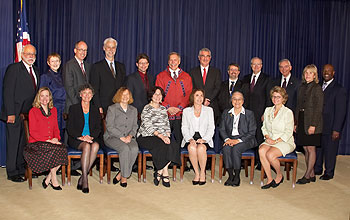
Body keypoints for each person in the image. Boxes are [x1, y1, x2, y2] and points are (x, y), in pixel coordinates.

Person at [1, 44, 40, 182]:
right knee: (13, 143)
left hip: (28, 115)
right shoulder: (14, 69)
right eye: (28, 54)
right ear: (22, 54)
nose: (31, 57)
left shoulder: (36, 70)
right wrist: (10, 113)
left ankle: (21, 168)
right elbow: (8, 92)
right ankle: (12, 172)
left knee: (23, 144)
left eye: (33, 54)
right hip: (15, 113)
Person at [23, 87, 68, 190]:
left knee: (63, 149)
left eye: (46, 96)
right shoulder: (33, 111)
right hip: (36, 143)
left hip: (51, 142)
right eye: (42, 96)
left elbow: (56, 128)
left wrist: (56, 138)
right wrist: (47, 140)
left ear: (50, 98)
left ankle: (48, 178)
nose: (44, 98)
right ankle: (54, 179)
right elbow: (33, 132)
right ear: (38, 98)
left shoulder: (54, 110)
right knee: (54, 150)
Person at [137, 87, 181, 188]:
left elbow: (166, 125)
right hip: (146, 136)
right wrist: (161, 136)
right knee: (162, 145)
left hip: (161, 136)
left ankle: (160, 171)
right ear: (151, 96)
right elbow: (148, 126)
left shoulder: (163, 109)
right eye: (155, 94)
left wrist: (167, 136)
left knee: (173, 145)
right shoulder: (147, 108)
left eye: (160, 94)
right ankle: (165, 173)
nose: (157, 96)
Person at [67, 84, 102, 193]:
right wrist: (81, 137)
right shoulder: (73, 108)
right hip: (77, 138)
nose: (87, 95)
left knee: (95, 145)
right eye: (84, 93)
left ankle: (82, 176)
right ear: (80, 95)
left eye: (89, 93)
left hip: (91, 137)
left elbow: (98, 128)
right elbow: (70, 128)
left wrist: (91, 137)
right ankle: (85, 180)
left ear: (92, 96)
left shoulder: (95, 109)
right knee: (87, 146)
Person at [315, 64, 347, 180]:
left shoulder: (339, 89)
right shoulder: (318, 86)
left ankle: (329, 172)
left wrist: (337, 129)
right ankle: (317, 168)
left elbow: (341, 111)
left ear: (333, 73)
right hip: (319, 126)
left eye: (329, 71)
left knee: (330, 151)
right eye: (324, 71)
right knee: (318, 149)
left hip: (331, 126)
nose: (326, 73)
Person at [259, 86, 296, 189]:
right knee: (262, 150)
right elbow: (264, 127)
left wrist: (275, 141)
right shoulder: (267, 110)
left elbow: (288, 132)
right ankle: (269, 179)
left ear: (283, 98)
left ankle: (279, 175)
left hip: (285, 141)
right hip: (270, 139)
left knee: (270, 154)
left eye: (278, 97)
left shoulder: (288, 112)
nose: (275, 99)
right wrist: (267, 137)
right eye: (274, 97)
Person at [219, 91, 257, 187]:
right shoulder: (226, 113)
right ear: (231, 101)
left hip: (245, 140)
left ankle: (237, 176)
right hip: (230, 139)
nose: (237, 101)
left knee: (236, 149)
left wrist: (237, 141)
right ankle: (230, 175)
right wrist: (227, 139)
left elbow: (252, 132)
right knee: (226, 149)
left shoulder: (249, 114)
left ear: (243, 101)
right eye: (234, 99)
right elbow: (222, 129)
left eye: (239, 99)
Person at [155, 52, 192, 147]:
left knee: (181, 141)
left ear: (179, 61)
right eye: (171, 60)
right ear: (168, 62)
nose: (173, 62)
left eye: (175, 60)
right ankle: (166, 161)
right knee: (164, 141)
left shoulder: (186, 77)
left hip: (181, 114)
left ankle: (179, 161)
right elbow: (158, 95)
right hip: (165, 114)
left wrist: (180, 107)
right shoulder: (161, 76)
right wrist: (168, 107)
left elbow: (189, 94)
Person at [104, 87, 139, 188]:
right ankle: (124, 176)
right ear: (118, 96)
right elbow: (110, 127)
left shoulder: (133, 110)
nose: (125, 97)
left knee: (134, 148)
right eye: (123, 94)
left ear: (130, 97)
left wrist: (130, 136)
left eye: (127, 95)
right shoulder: (112, 108)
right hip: (112, 137)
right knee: (124, 149)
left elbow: (135, 126)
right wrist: (121, 137)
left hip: (129, 137)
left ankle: (121, 173)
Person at [295, 64, 324, 184]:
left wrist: (313, 125)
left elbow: (318, 108)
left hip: (312, 122)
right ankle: (311, 174)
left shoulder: (317, 88)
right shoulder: (301, 87)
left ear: (315, 75)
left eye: (310, 73)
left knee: (311, 148)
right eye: (306, 73)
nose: (308, 75)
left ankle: (307, 175)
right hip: (302, 120)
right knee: (306, 148)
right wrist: (296, 122)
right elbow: (298, 106)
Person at [241, 57, 271, 169]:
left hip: (260, 113)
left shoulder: (267, 79)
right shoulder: (246, 78)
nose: (256, 66)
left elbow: (269, 98)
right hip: (247, 113)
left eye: (258, 64)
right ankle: (248, 160)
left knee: (259, 136)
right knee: (247, 135)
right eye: (254, 64)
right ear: (251, 65)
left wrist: (266, 113)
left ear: (261, 66)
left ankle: (259, 161)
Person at [181, 89, 215, 185]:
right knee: (191, 148)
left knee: (200, 148)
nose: (199, 98)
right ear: (193, 97)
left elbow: (211, 127)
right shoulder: (186, 111)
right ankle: (197, 173)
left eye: (201, 95)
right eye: (197, 95)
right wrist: (190, 139)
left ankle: (203, 172)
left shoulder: (209, 110)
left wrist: (205, 139)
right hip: (190, 137)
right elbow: (184, 127)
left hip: (204, 138)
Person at [90, 37, 126, 114]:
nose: (111, 50)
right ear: (104, 48)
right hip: (104, 107)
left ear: (116, 49)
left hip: (119, 106)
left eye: (113, 47)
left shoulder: (121, 67)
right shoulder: (97, 67)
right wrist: (98, 106)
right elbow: (94, 89)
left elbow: (123, 88)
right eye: (108, 47)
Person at [189, 48, 221, 122]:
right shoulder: (192, 72)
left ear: (210, 58)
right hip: (196, 106)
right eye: (203, 56)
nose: (205, 58)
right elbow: (192, 88)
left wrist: (208, 99)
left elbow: (217, 87)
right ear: (199, 57)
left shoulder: (216, 71)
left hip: (212, 105)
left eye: (207, 56)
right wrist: (201, 100)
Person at [40, 53, 66, 138]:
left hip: (63, 110)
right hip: (53, 109)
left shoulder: (62, 76)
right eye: (52, 61)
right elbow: (42, 96)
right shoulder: (45, 77)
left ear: (60, 62)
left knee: (62, 135)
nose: (55, 63)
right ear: (48, 63)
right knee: (54, 135)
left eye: (57, 61)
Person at [63, 41, 91, 113]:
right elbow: (69, 88)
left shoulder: (88, 66)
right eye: (81, 50)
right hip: (73, 106)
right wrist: (78, 105)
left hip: (85, 106)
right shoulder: (69, 65)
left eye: (85, 50)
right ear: (75, 50)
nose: (83, 52)